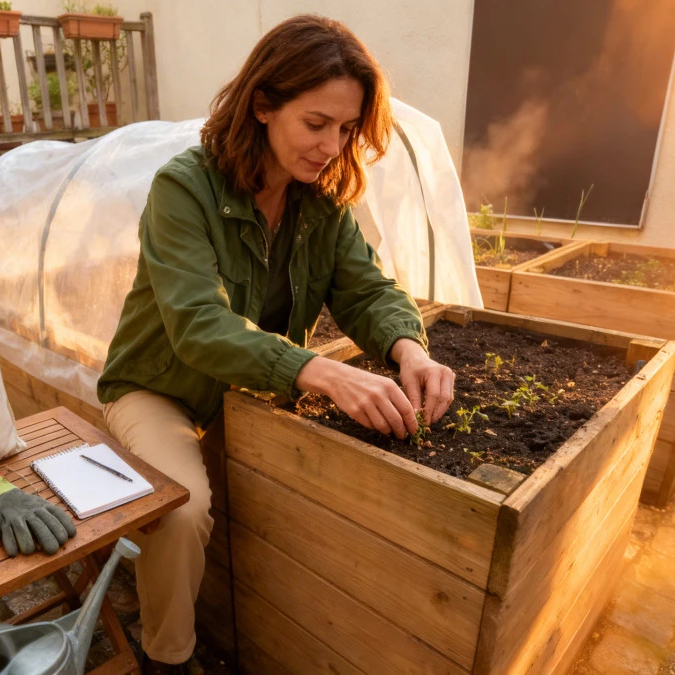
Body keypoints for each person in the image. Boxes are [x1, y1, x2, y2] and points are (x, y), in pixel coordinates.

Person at [97, 14, 456, 673]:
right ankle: (167, 657)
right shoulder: (185, 189)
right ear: (264, 104)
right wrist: (318, 369)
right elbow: (198, 325)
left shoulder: (319, 204)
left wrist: (411, 350)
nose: (331, 145)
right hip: (161, 386)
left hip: (249, 386)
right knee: (182, 510)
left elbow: (368, 290)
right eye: (316, 123)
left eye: (346, 129)